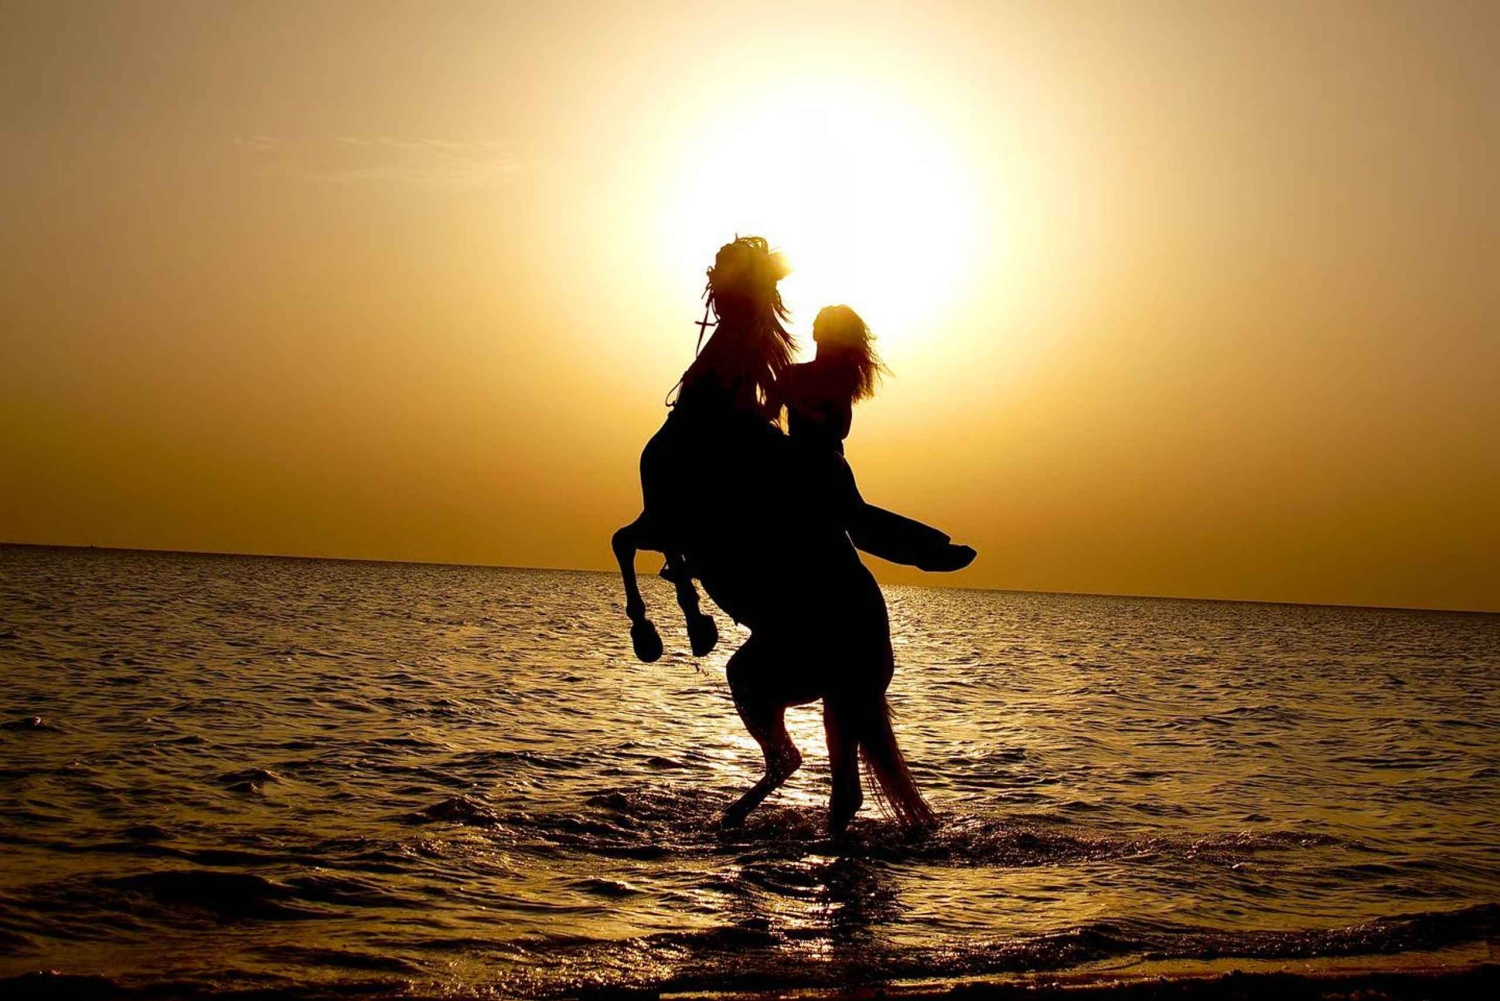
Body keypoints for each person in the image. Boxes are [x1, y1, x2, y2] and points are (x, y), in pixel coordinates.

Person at [776, 305, 976, 573]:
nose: (819, 333)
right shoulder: (791, 373)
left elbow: (842, 428)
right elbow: (768, 411)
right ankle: (931, 548)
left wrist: (802, 407)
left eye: (824, 328)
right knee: (856, 522)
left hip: (827, 460)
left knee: (858, 524)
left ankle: (931, 549)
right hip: (799, 455)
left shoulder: (838, 380)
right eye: (818, 327)